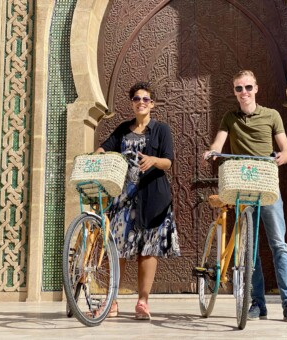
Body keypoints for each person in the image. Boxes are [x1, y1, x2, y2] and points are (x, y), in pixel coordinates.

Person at [203, 70, 287, 322]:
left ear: (256, 88)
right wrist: (212, 152)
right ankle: (257, 303)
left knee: (279, 245)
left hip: (267, 187)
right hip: (243, 187)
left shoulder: (272, 115)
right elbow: (219, 143)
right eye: (239, 89)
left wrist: (282, 157)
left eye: (248, 87)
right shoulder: (229, 117)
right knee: (250, 248)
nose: (244, 92)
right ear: (234, 91)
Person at [96, 81, 180, 320]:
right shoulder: (123, 129)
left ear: (152, 104)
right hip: (123, 198)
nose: (141, 102)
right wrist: (96, 157)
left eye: (145, 99)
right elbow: (105, 147)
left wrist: (153, 160)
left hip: (153, 195)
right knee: (117, 248)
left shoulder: (161, 129)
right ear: (132, 103)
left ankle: (142, 301)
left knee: (148, 249)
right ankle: (112, 300)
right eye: (136, 99)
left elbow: (168, 161)